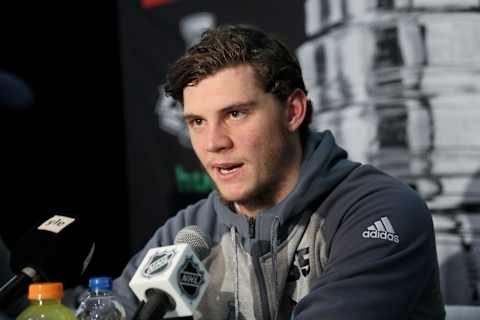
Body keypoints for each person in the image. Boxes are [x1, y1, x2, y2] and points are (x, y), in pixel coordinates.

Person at [113, 24, 445, 319]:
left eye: (236, 114)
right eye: (197, 122)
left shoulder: (379, 212)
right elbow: (111, 308)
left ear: (293, 111)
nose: (213, 142)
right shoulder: (189, 232)